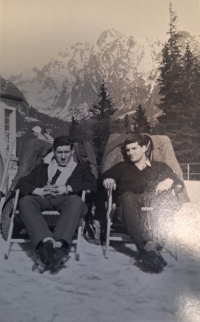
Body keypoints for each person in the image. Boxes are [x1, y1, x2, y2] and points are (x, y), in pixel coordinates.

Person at [98, 134, 184, 273]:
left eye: (134, 148)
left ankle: (150, 249)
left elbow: (179, 184)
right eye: (127, 150)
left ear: (144, 148)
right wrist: (107, 180)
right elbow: (101, 178)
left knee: (166, 199)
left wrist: (170, 181)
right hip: (128, 206)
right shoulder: (122, 167)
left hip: (152, 205)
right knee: (127, 196)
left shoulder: (160, 167)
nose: (130, 153)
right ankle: (146, 248)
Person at [16, 136, 97, 273]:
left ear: (72, 152)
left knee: (76, 200)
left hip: (66, 200)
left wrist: (67, 188)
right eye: (60, 152)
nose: (63, 156)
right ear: (54, 152)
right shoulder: (42, 168)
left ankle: (56, 245)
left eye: (66, 152)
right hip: (44, 198)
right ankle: (49, 243)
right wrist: (39, 190)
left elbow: (92, 185)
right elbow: (21, 183)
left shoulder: (81, 167)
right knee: (25, 201)